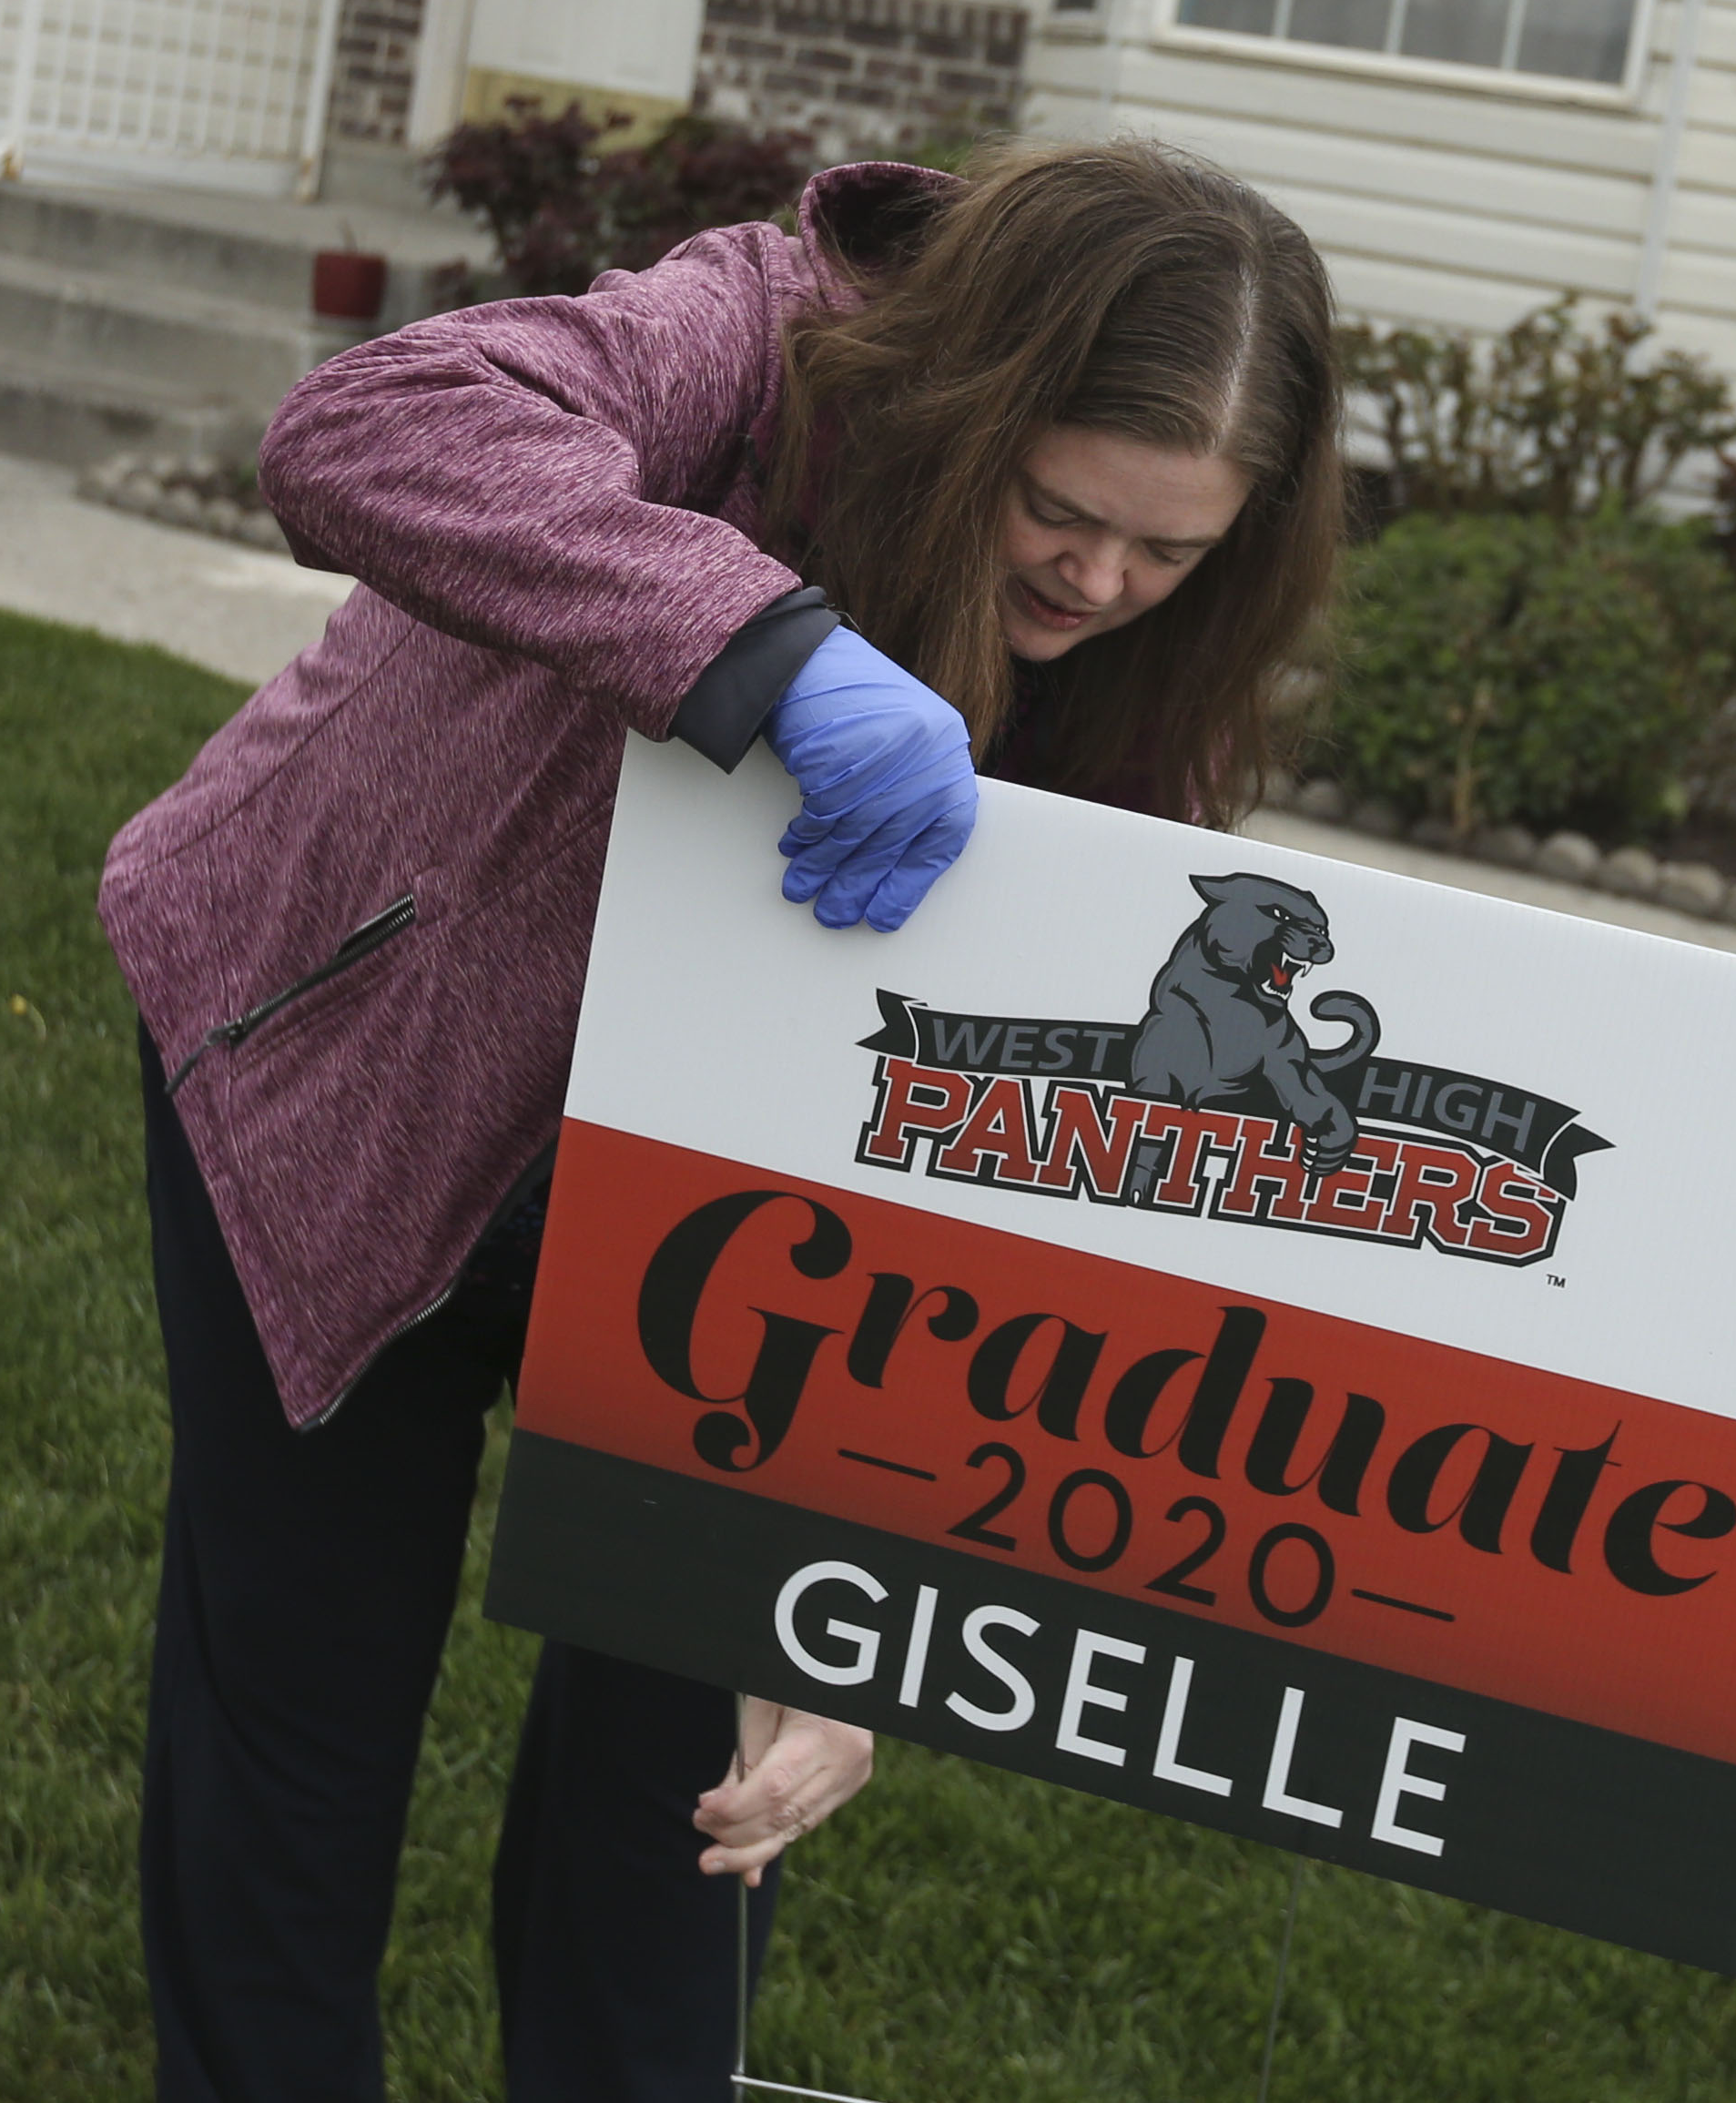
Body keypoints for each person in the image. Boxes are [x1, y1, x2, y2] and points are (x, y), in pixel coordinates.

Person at [98, 137, 1348, 2103]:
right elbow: (372, 423)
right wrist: (774, 653)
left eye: (1170, 552)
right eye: (1061, 511)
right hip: (353, 1063)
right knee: (300, 1739)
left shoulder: (1146, 699)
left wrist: (863, 1603)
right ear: (975, 397)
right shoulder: (764, 336)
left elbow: (1022, 1136)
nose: (1102, 583)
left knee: (696, 1809)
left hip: (724, 1227)